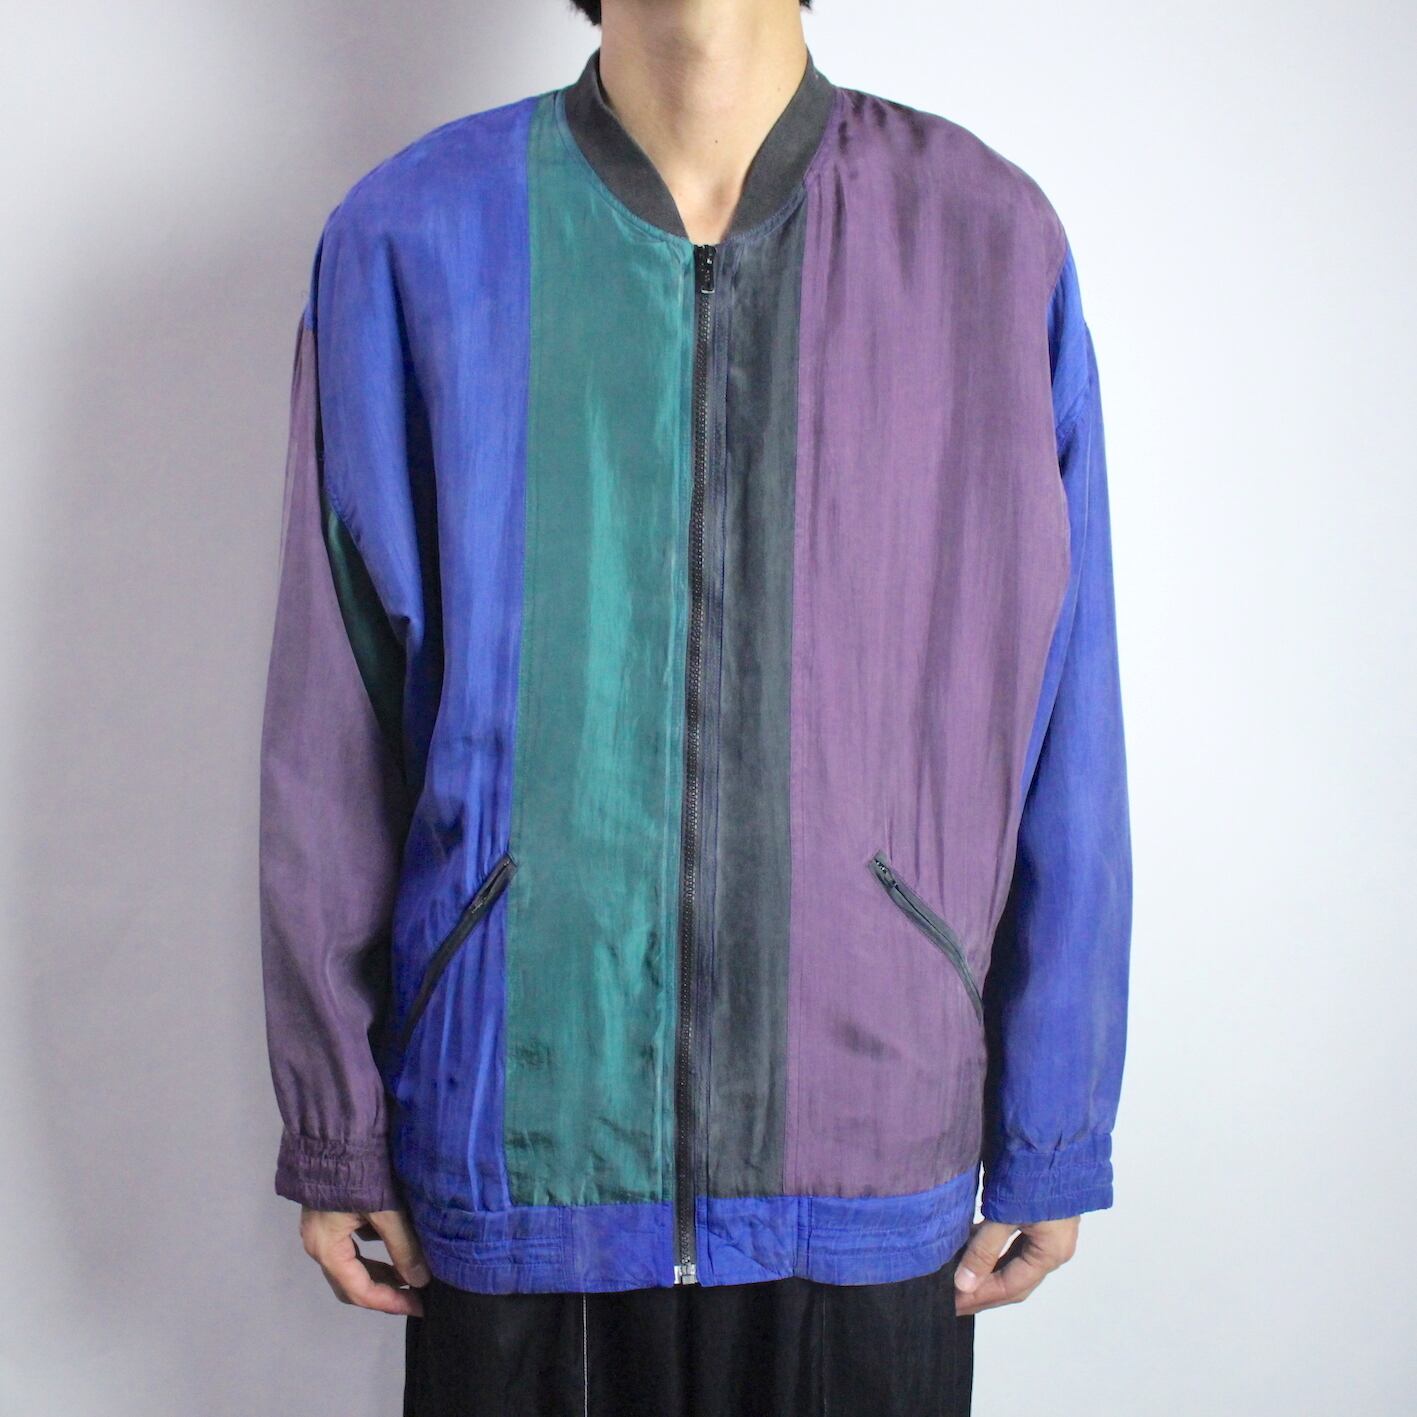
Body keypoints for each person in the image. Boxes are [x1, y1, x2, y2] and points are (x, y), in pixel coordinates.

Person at [257, 0, 1133, 1411]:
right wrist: (335, 1122)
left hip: (869, 1140)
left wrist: (1052, 1125)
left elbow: (1062, 710)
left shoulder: (983, 239)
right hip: (518, 1136)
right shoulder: (412, 236)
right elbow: (332, 715)